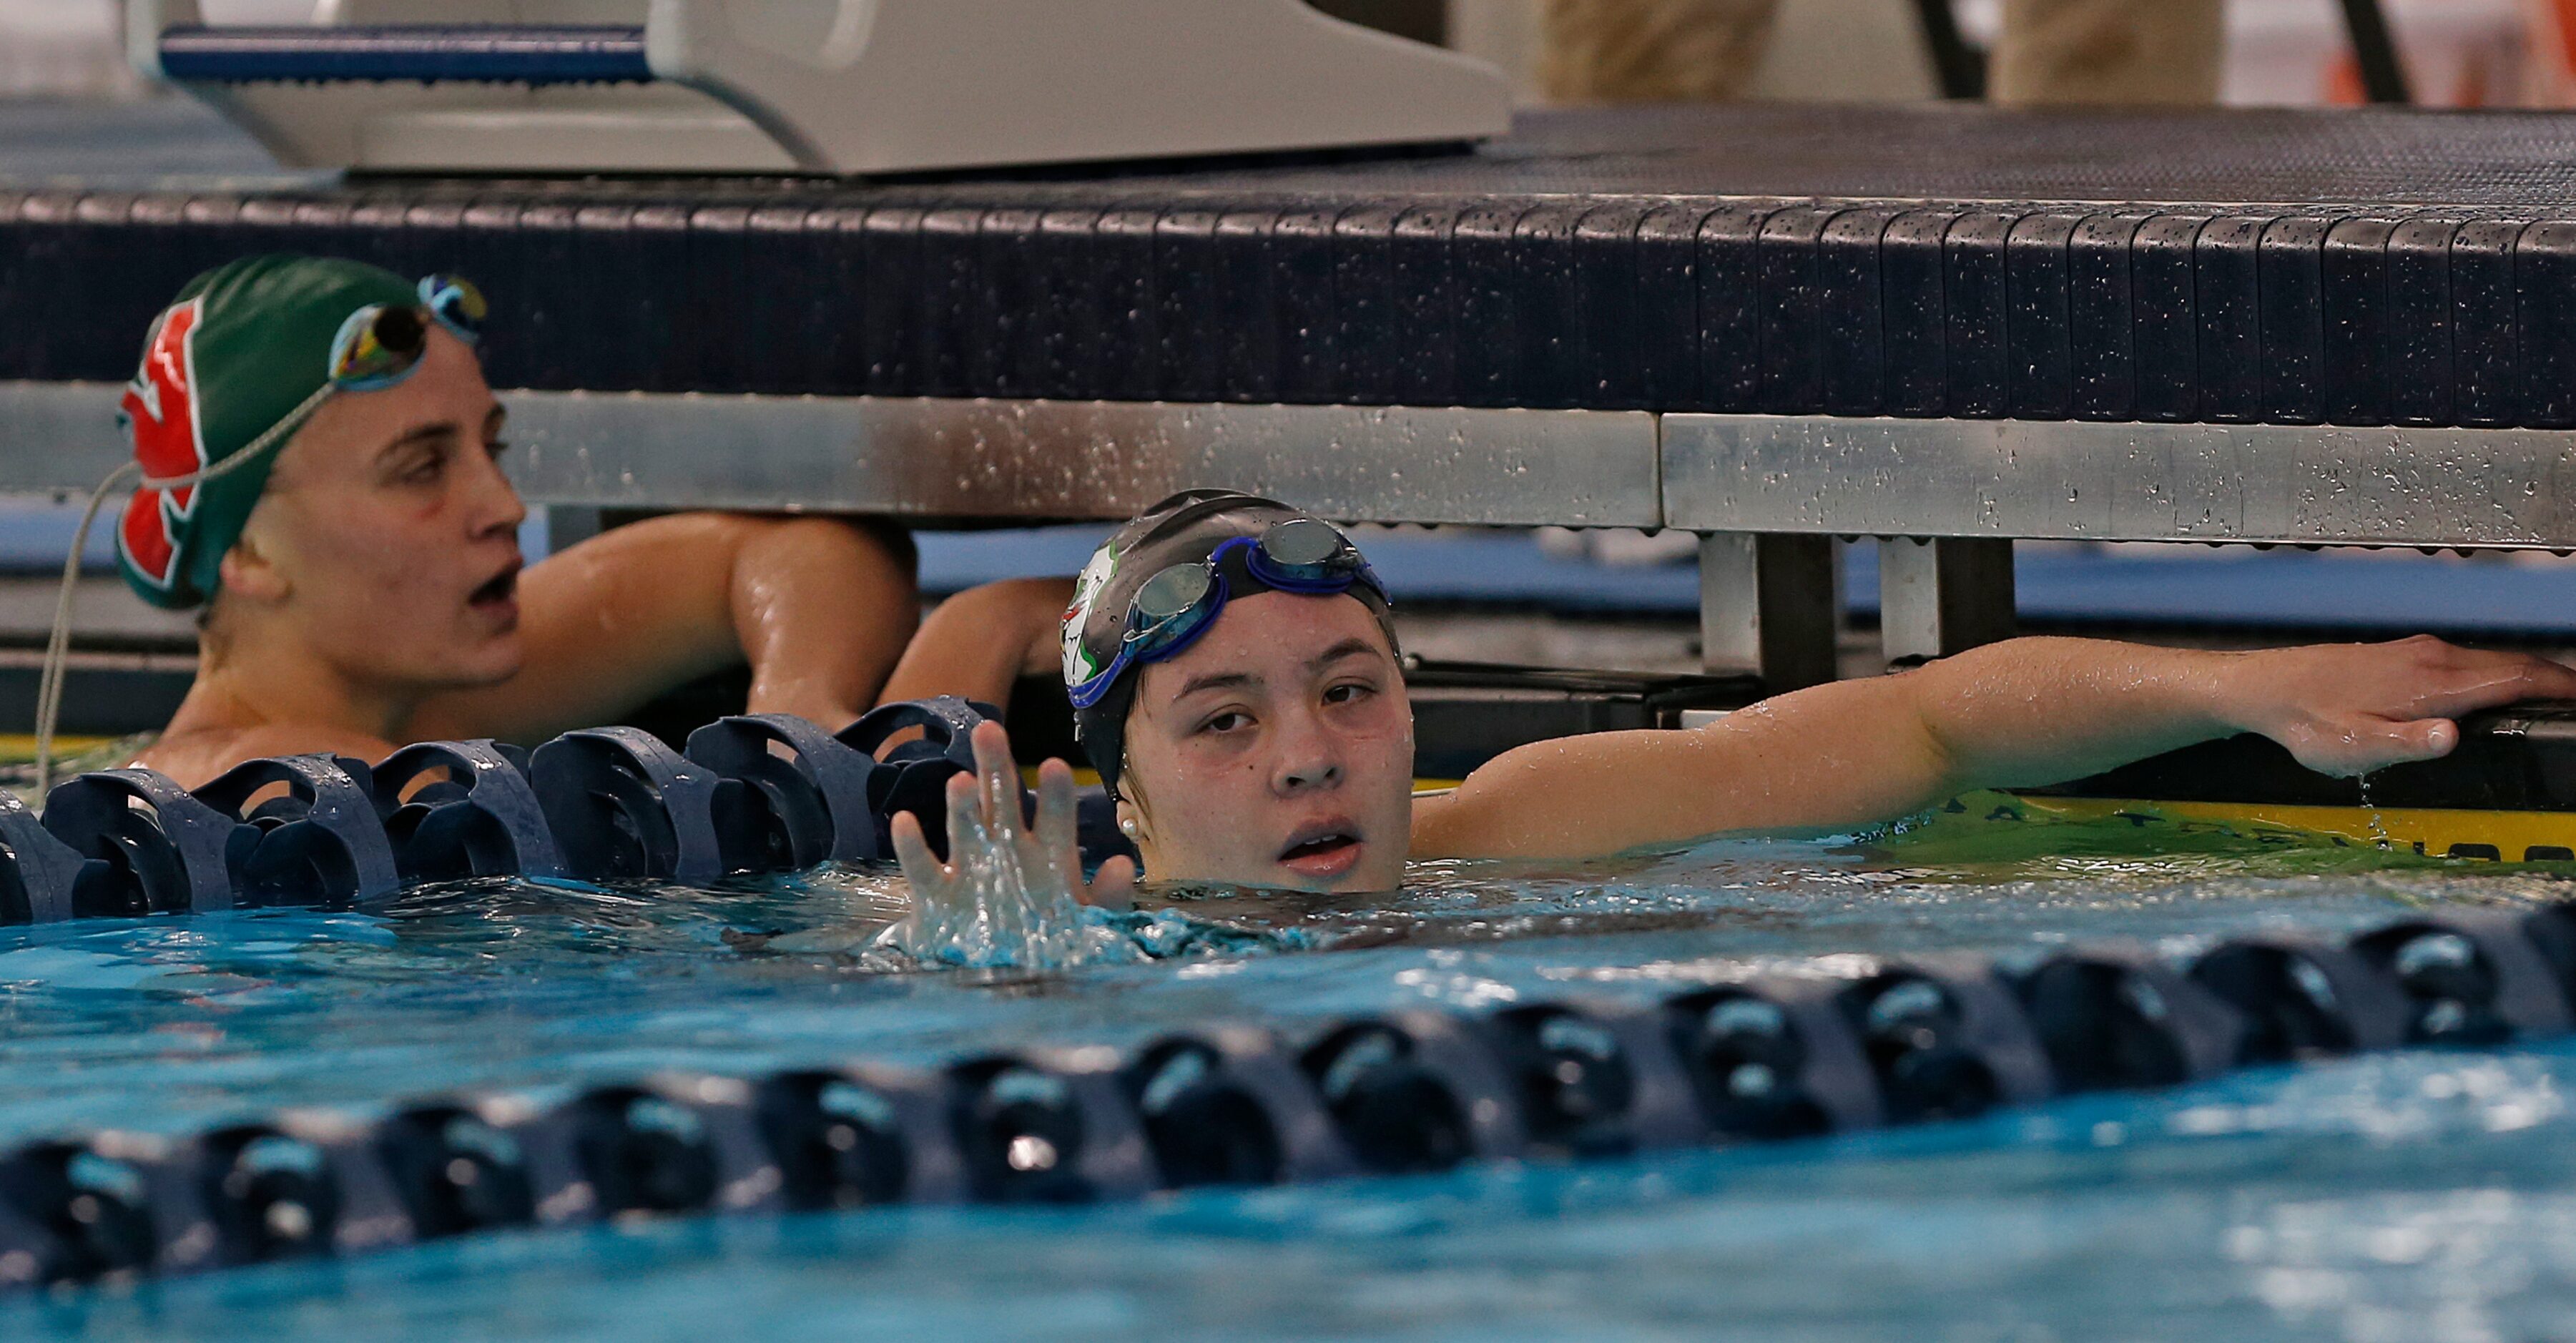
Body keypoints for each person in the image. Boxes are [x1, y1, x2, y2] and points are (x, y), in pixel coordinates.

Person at [886, 490, 2576, 902]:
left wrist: (2249, 682)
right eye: (1226, 722)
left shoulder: (1524, 829)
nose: (1314, 760)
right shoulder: (1036, 943)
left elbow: (1932, 718)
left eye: (1348, 690)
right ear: (1119, 787)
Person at [101, 255, 919, 788]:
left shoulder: (416, 705)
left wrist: (800, 702)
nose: (504, 506)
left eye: (490, 450)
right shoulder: (264, 783)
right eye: (421, 470)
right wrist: (977, 639)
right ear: (248, 549)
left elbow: (803, 551)